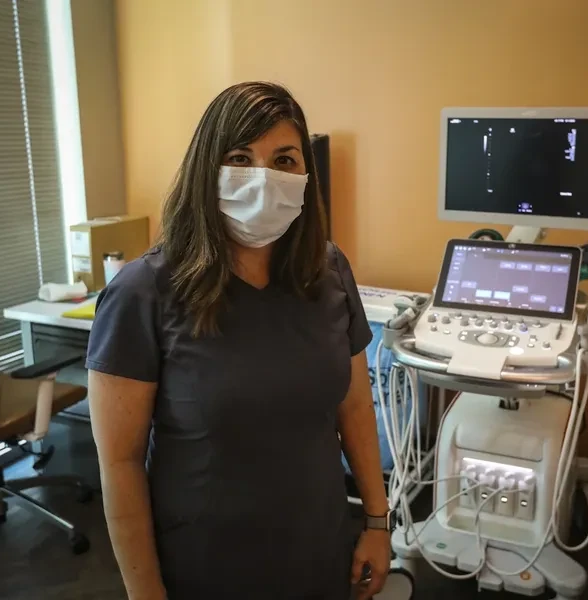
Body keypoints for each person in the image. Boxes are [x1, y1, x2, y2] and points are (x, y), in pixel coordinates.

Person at [86, 82, 392, 599]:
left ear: (305, 174)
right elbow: (120, 463)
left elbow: (356, 408)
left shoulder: (329, 272)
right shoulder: (143, 294)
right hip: (206, 566)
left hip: (319, 552)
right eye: (239, 157)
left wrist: (379, 524)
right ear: (207, 168)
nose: (263, 180)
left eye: (285, 160)